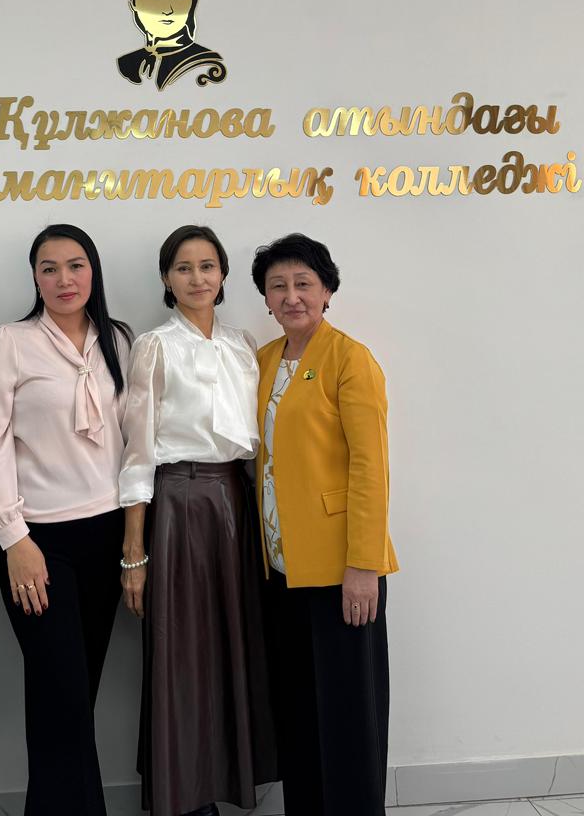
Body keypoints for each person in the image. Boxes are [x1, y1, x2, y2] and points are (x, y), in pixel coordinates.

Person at [0, 224, 132, 816]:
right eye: (49, 268)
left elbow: (135, 441)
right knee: (59, 692)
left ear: (94, 271)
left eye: (76, 265)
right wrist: (13, 537)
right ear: (35, 278)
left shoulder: (119, 340)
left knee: (75, 697)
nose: (64, 279)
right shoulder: (11, 342)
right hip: (38, 543)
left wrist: (134, 542)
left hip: (107, 535)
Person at [119, 225, 276, 816]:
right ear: (166, 278)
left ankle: (228, 780)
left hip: (236, 501)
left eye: (207, 266)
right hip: (179, 503)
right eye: (183, 268)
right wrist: (134, 553)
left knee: (235, 643)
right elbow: (137, 451)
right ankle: (183, 796)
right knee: (182, 652)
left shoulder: (243, 344)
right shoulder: (155, 347)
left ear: (223, 274)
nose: (197, 278)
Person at [251, 234, 398, 816]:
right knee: (299, 714)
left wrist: (363, 566)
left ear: (327, 291)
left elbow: (370, 468)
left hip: (341, 569)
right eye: (278, 286)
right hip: (282, 568)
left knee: (348, 719)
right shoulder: (264, 359)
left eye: (303, 284)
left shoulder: (349, 358)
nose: (291, 296)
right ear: (265, 298)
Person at [116, 0, 227, 90]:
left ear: (192, 2)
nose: (167, 10)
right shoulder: (127, 62)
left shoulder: (204, 66)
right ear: (134, 2)